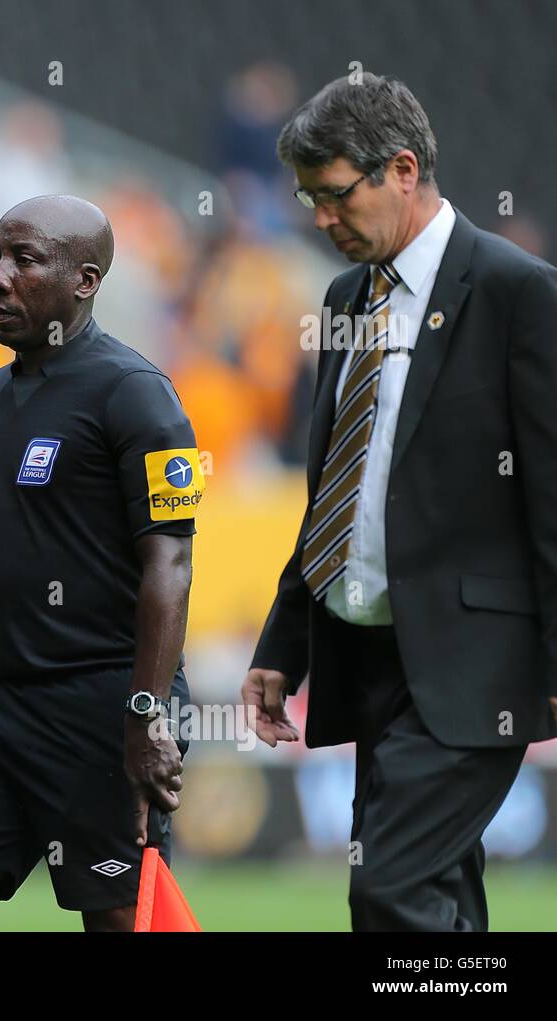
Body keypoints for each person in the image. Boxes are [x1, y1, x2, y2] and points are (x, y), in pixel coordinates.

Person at [242, 73, 557, 931]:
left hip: (473, 664)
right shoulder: (345, 300)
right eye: (308, 199)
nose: (320, 219)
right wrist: (285, 642)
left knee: (387, 889)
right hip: (368, 655)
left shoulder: (517, 292)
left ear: (404, 170)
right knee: (437, 895)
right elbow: (335, 491)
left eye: (335, 195)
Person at [0, 195, 203, 931]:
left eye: (23, 260)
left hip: (103, 704)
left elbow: (171, 562)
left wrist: (144, 712)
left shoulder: (135, 394)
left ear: (85, 280)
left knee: (115, 920)